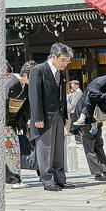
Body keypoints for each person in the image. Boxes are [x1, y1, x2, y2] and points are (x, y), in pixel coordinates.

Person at [28, 43, 74, 192]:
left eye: (67, 61)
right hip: (44, 117)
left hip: (59, 116)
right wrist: (37, 117)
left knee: (59, 149)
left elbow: (62, 97)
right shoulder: (38, 70)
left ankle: (60, 179)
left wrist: (65, 116)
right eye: (63, 60)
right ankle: (47, 180)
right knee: (45, 149)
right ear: (53, 56)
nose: (65, 64)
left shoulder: (60, 73)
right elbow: (35, 96)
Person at [5, 61, 31, 189]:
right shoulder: (11, 82)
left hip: (13, 122)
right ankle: (13, 180)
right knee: (11, 152)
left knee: (13, 152)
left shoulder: (24, 85)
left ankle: (14, 179)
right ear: (25, 76)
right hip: (4, 122)